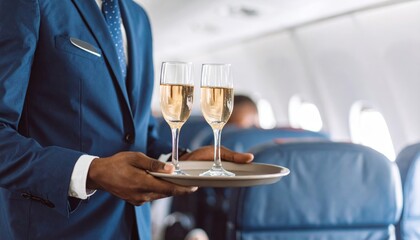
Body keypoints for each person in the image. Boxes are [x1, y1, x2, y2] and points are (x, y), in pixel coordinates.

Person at [0, 1, 253, 239]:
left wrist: (179, 161)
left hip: (136, 230)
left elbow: (140, 133)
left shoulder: (138, 18)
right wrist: (91, 172)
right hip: (57, 230)